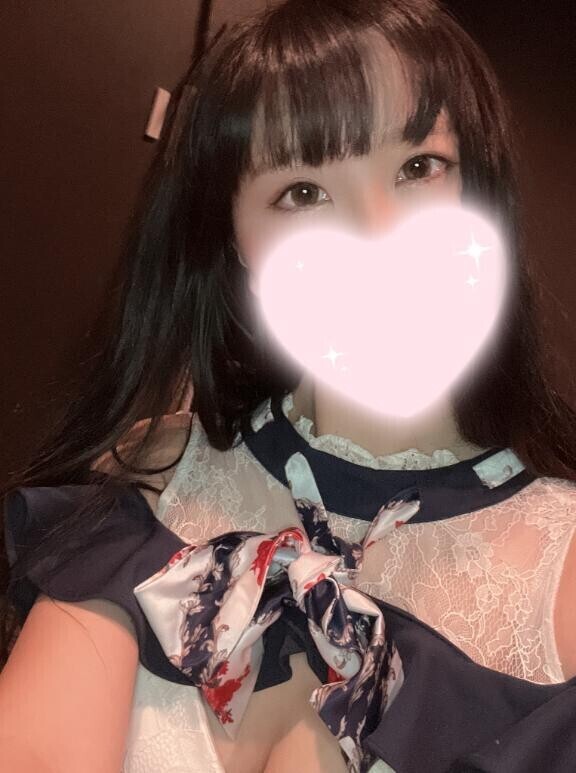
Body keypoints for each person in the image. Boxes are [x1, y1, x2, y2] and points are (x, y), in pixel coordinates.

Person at [1, 0, 576, 771]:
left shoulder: (562, 572)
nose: (378, 236)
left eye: (419, 167)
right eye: (302, 192)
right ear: (235, 239)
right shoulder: (159, 475)